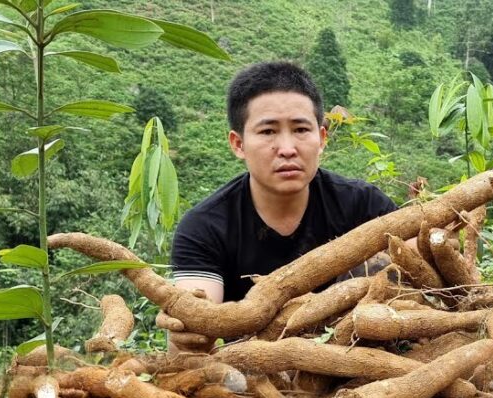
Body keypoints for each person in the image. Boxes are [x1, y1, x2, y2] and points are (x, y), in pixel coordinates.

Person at [169, 61, 397, 307]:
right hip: (253, 346)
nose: (287, 149)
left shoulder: (366, 206)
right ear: (238, 144)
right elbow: (196, 317)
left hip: (367, 343)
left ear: (321, 139)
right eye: (268, 132)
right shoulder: (204, 227)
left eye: (300, 129)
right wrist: (190, 328)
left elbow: (420, 265)